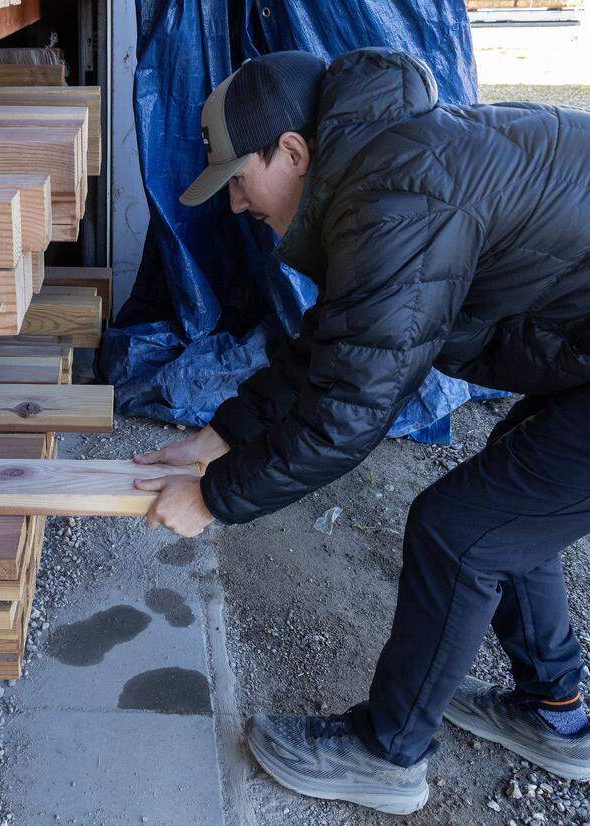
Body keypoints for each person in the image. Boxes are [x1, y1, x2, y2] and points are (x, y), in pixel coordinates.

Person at [130, 48, 590, 814]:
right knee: (512, 496)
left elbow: (348, 411)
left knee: (460, 529)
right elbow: (341, 340)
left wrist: (215, 499)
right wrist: (223, 434)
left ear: (294, 151)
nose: (237, 204)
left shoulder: (395, 193)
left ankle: (386, 754)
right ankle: (557, 713)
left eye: (239, 179)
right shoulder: (389, 165)